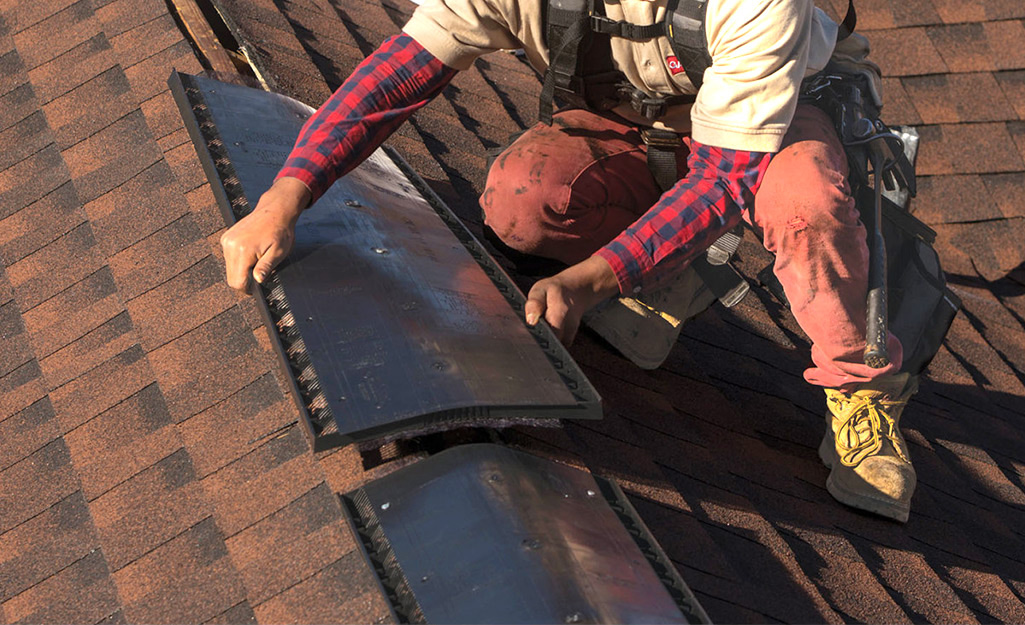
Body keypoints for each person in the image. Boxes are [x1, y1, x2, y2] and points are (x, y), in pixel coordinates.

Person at [219, 0, 920, 522]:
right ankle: (662, 267)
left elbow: (722, 179)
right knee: (525, 201)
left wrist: (588, 282)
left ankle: (860, 389)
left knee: (804, 207)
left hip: (776, 129)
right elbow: (399, 74)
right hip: (635, 118)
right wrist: (287, 194)